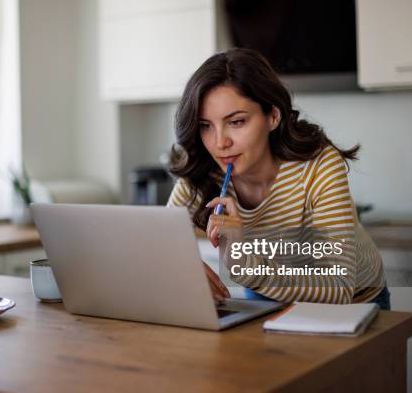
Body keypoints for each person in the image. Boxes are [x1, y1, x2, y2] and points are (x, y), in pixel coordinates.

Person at [166, 48, 390, 310]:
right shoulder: (203, 170)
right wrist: (181, 265)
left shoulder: (318, 165)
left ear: (272, 116)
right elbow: (160, 244)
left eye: (237, 122)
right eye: (205, 126)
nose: (220, 143)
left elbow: (339, 286)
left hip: (355, 302)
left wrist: (246, 267)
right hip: (268, 294)